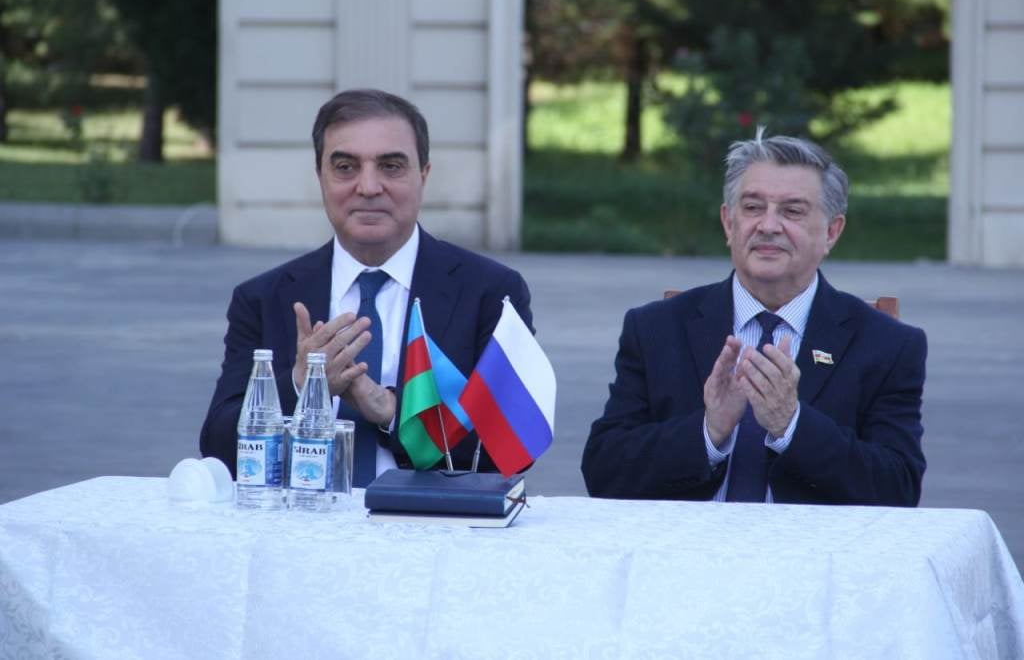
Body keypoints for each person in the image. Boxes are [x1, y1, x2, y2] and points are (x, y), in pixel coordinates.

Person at [200, 89, 532, 486]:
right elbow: (219, 448)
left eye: (391, 166)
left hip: (432, 520)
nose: (369, 186)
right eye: (345, 167)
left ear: (423, 176)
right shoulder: (264, 298)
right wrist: (299, 385)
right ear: (320, 177)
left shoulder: (490, 293)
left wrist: (392, 411)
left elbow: (509, 449)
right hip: (302, 517)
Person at [581, 128, 926, 506]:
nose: (768, 226)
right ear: (729, 223)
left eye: (792, 211)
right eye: (752, 207)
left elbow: (898, 489)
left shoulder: (887, 344)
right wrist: (708, 431)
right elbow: (604, 471)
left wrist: (792, 425)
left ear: (831, 232)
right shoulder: (656, 329)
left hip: (812, 543)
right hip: (684, 541)